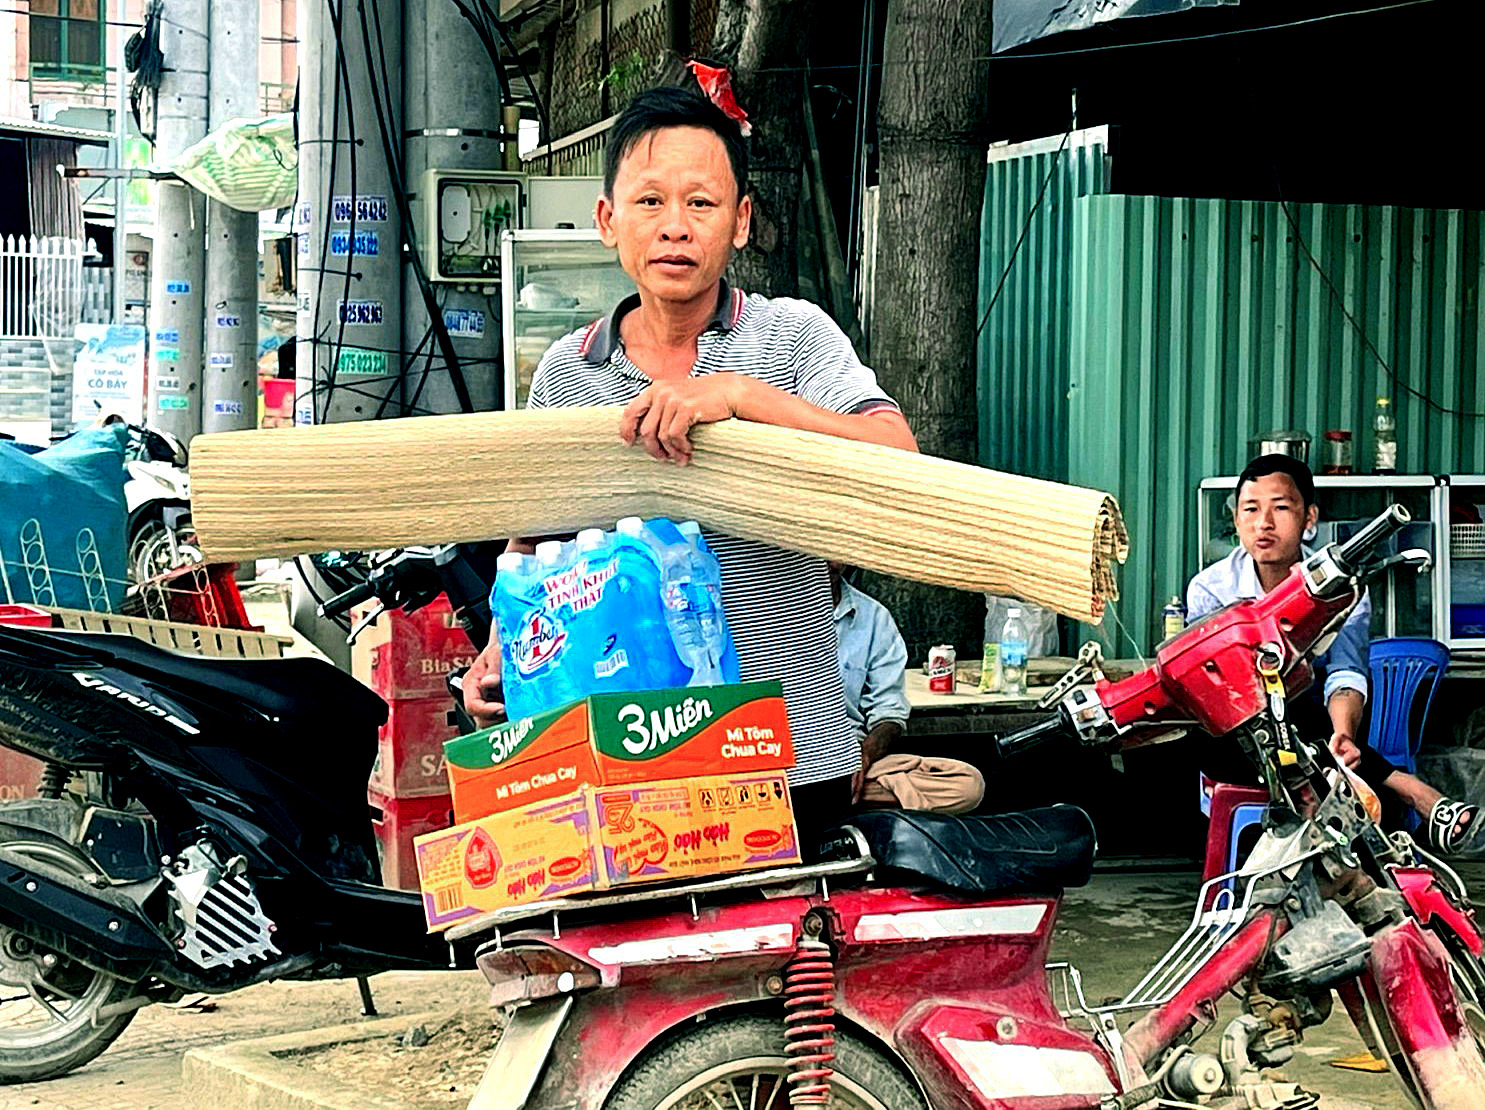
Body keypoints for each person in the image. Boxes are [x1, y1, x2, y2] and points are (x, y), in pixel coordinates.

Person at [461, 75, 917, 846]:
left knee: (788, 963)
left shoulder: (791, 339)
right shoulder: (569, 374)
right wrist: (499, 649)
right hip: (621, 758)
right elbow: (533, 544)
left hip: (787, 752)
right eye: (649, 201)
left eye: (701, 204)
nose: (675, 226)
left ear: (739, 223)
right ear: (608, 220)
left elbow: (898, 455)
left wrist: (738, 397)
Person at [1187, 453, 1478, 853]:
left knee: (1307, 710)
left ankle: (1359, 805)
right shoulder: (1210, 589)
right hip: (1233, 738)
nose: (1264, 523)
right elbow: (1210, 686)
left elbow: (1346, 672)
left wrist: (1343, 734)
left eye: (1281, 508)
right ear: (1236, 521)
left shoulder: (1344, 590)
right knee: (1268, 713)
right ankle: (1408, 790)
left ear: (1309, 520)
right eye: (1250, 509)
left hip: (1309, 728)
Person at [831, 564, 984, 815]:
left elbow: (889, 714)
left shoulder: (873, 618)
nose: (827, 561)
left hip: (849, 757)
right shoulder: (768, 610)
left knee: (966, 784)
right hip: (780, 757)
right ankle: (835, 799)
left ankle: (829, 798)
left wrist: (862, 758)